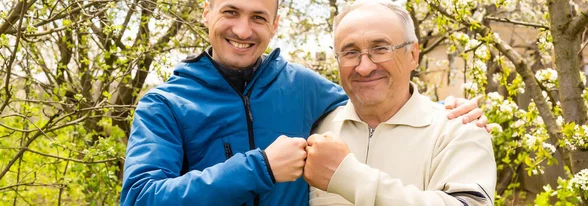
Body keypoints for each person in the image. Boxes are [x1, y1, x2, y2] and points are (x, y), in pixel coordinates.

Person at [120, 0, 488, 205]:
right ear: (206, 12)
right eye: (231, 12)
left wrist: (449, 112)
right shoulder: (164, 105)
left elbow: (376, 91)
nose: (244, 30)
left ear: (276, 24)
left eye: (258, 17)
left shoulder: (305, 89)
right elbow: (138, 200)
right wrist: (260, 168)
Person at [304, 1, 496, 205]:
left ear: (413, 55)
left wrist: (348, 177)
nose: (364, 67)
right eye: (350, 52)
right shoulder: (313, 128)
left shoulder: (459, 131)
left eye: (380, 49)